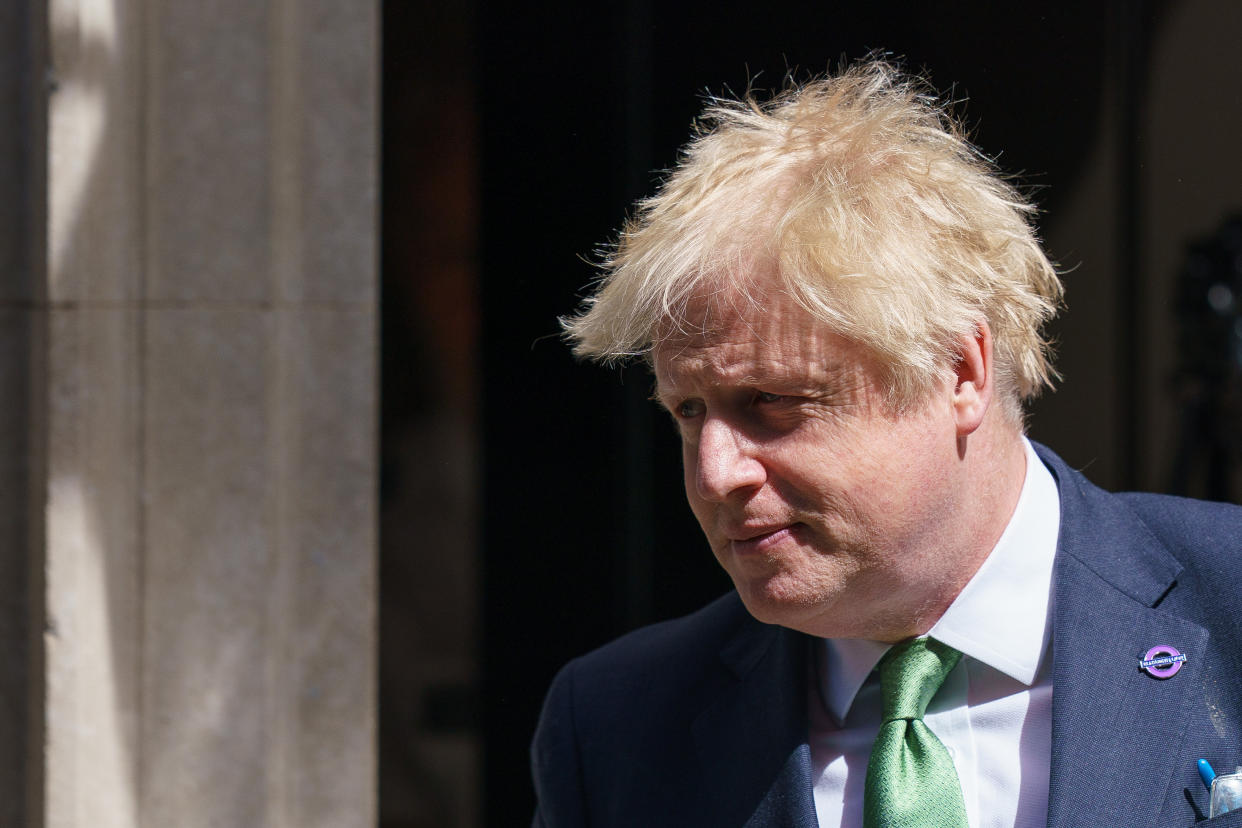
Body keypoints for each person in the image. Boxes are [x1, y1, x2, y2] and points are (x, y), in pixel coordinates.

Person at [531, 60, 1242, 827]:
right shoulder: (616, 728)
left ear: (959, 371)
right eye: (689, 411)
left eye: (773, 402)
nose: (715, 474)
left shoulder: (1225, 605)